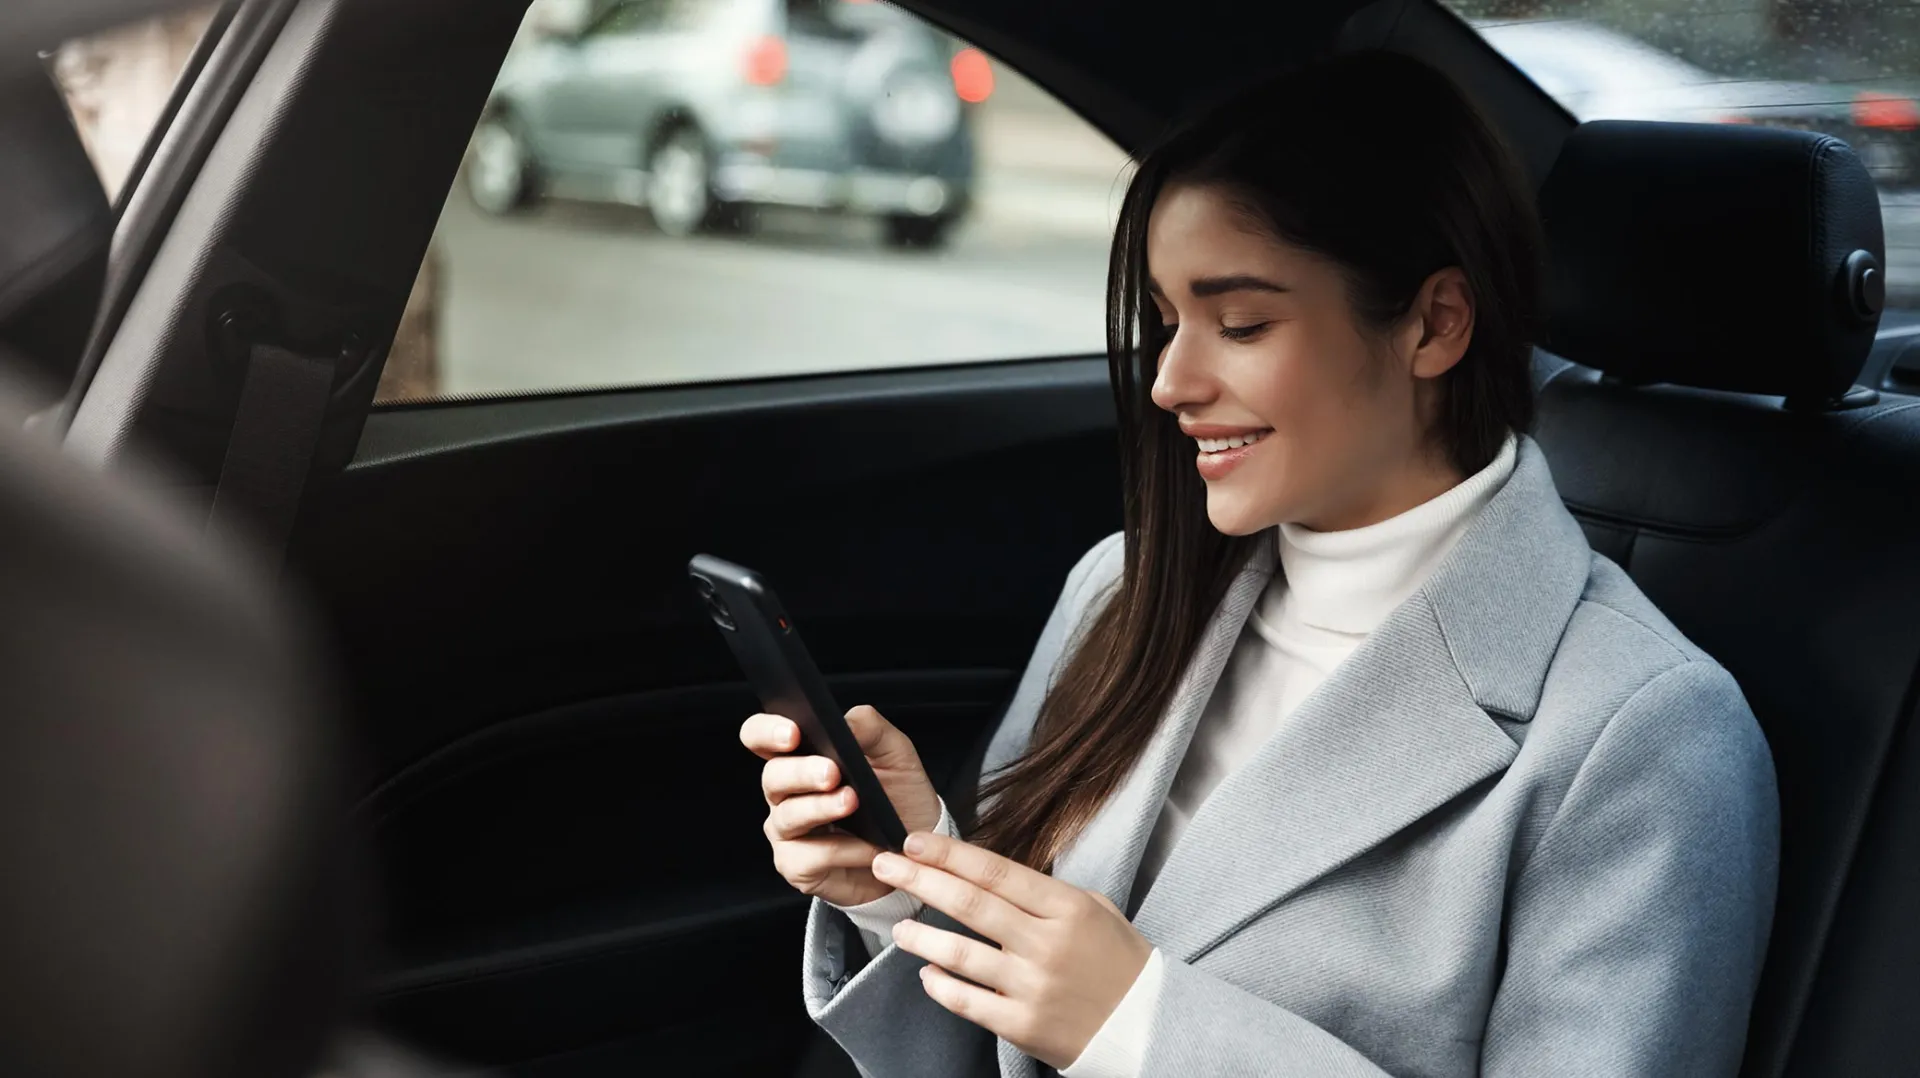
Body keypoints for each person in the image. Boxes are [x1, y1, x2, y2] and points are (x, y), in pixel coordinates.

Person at [740, 49, 1778, 1078]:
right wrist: (907, 882)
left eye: (1240, 324)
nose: (1170, 381)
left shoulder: (1644, 732)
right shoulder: (1121, 589)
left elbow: (1102, 1018)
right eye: (1166, 322)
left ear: (1434, 324)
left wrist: (1145, 1028)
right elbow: (1001, 1041)